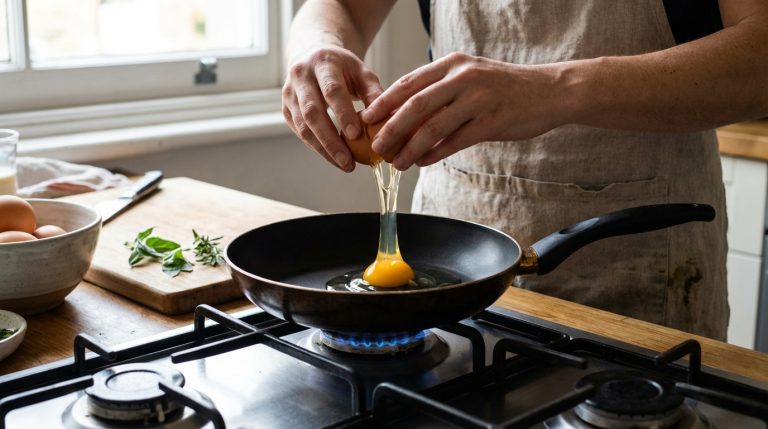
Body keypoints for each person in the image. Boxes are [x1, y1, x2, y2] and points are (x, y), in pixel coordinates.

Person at [281, 0, 768, 340]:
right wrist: (315, 47)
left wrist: (559, 87)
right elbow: (338, 4)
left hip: (634, 260)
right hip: (447, 272)